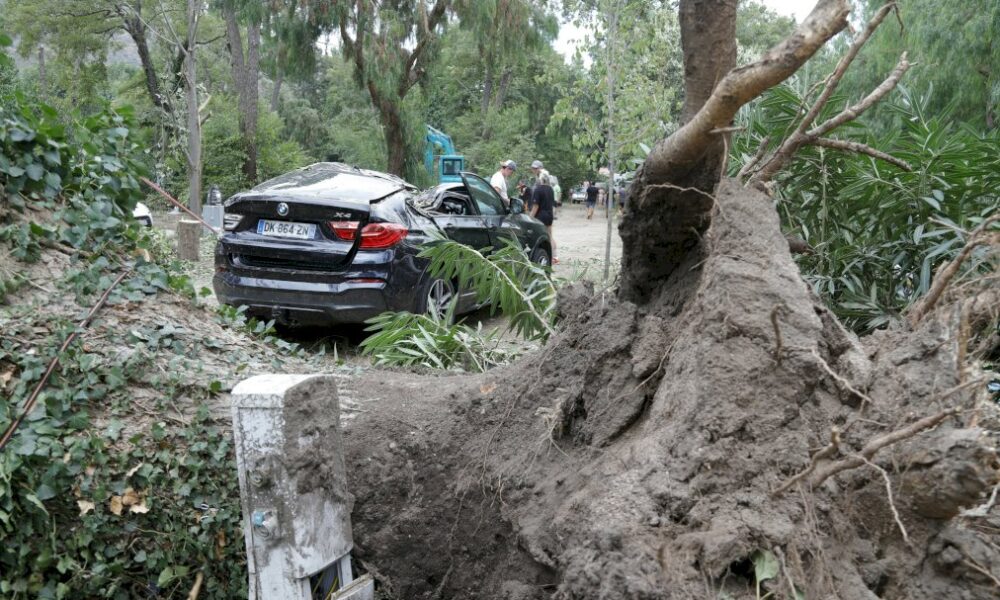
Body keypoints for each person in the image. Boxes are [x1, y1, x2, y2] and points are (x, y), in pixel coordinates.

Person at [530, 172, 558, 264]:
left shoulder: (538, 190)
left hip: (540, 217)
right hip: (549, 215)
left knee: (540, 237)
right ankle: (555, 256)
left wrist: (530, 218)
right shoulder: (550, 189)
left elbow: (535, 206)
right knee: (550, 235)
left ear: (540, 179)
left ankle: (544, 256)